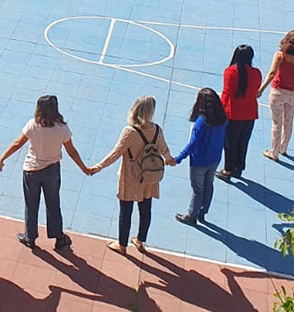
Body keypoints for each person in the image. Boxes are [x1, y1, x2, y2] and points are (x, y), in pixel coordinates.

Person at [0, 95, 89, 251]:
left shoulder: (33, 125)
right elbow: (71, 151)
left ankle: (30, 237)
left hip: (32, 171)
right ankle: (59, 238)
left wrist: (1, 159)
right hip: (52, 171)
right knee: (53, 203)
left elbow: (17, 144)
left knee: (31, 205)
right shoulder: (62, 128)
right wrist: (84, 168)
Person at [86, 96, 172, 255]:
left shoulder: (130, 132)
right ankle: (140, 240)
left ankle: (122, 245)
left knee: (126, 211)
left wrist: (98, 167)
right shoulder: (157, 130)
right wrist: (170, 159)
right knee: (146, 209)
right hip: (148, 177)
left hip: (131, 177)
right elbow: (164, 149)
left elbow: (115, 153)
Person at [173, 88, 227, 225]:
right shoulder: (223, 118)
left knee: (198, 189)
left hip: (199, 161)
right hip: (215, 159)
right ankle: (202, 212)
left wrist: (178, 158)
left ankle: (191, 216)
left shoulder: (201, 122)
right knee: (209, 185)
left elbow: (193, 144)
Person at [258, 30, 294, 162]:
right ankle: (283, 148)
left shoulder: (280, 55)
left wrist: (261, 89)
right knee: (288, 122)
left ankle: (274, 152)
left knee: (276, 123)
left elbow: (272, 73)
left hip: (278, 93)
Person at [217, 45, 260, 181]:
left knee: (230, 142)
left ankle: (228, 169)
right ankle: (238, 168)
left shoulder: (230, 72)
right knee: (243, 141)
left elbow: (226, 93)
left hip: (233, 113)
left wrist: (219, 109)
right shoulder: (256, 73)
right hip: (250, 113)